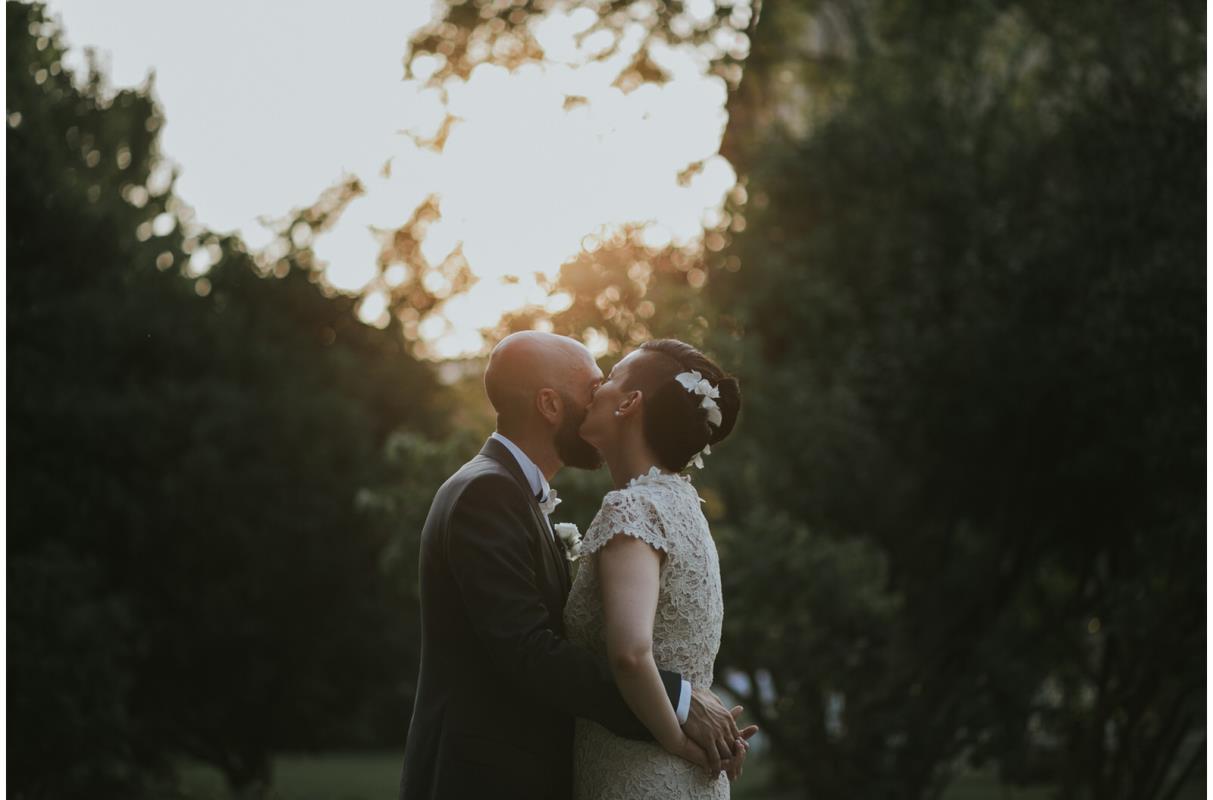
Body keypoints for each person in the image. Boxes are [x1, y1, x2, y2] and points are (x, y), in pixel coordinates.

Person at [398, 331, 751, 800]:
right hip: (485, 780)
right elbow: (529, 650)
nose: (601, 398)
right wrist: (679, 702)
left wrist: (680, 699)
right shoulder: (487, 492)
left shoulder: (518, 493)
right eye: (593, 387)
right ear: (549, 405)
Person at [565, 338, 746, 800]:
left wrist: (673, 739)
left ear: (629, 403)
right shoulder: (685, 504)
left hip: (644, 772)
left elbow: (630, 654)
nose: (595, 389)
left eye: (608, 380)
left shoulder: (633, 509)